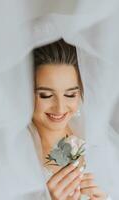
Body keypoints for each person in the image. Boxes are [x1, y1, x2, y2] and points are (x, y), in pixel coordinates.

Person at [29, 39, 110, 200]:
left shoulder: (98, 140)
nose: (60, 108)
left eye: (70, 94)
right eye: (46, 95)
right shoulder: (11, 156)